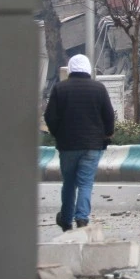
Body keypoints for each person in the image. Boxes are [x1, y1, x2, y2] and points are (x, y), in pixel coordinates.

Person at [44, 54, 115, 231]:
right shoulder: (99, 89)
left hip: (67, 146)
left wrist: (57, 134)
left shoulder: (60, 89)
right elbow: (109, 116)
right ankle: (82, 218)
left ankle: (66, 219)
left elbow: (49, 116)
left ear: (70, 69)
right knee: (85, 183)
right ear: (88, 69)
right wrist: (107, 135)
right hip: (92, 145)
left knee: (69, 183)